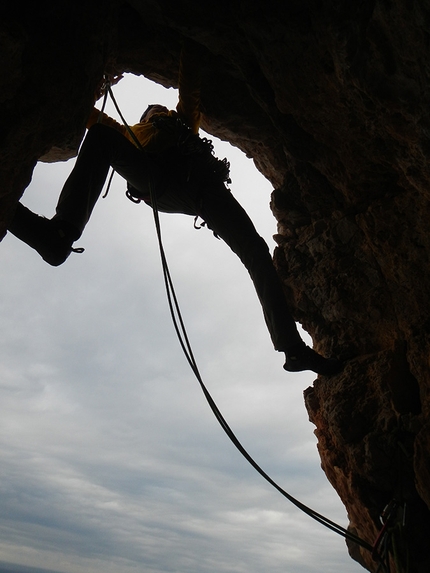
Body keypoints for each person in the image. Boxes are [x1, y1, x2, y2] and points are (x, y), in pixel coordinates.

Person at [7, 42, 343, 376]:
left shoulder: (182, 121)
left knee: (255, 249)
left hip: (200, 188)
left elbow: (189, 88)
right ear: (144, 117)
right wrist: (93, 84)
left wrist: (189, 42)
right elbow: (89, 116)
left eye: (157, 107)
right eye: (150, 109)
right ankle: (60, 234)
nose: (155, 109)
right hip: (158, 178)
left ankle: (292, 349)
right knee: (100, 138)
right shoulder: (128, 132)